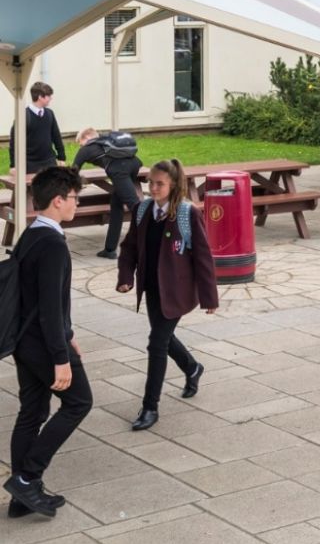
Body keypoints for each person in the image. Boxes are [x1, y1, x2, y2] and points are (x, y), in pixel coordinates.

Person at [4, 167, 93, 518]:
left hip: (24, 341)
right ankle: (27, 479)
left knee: (32, 412)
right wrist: (61, 355)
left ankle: (20, 499)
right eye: (74, 197)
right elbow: (50, 309)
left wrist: (68, 337)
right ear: (58, 200)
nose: (76, 203)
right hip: (42, 343)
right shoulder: (53, 244)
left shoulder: (30, 234)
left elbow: (41, 302)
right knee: (79, 402)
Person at [117, 159, 218, 431]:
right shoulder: (142, 210)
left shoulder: (187, 213)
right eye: (150, 182)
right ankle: (192, 368)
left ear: (173, 185)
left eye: (159, 183)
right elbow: (128, 248)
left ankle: (150, 407)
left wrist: (209, 298)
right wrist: (126, 277)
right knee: (163, 336)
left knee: (156, 343)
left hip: (177, 290)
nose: (152, 188)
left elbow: (203, 258)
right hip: (151, 288)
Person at [72, 127, 142, 260]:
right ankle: (109, 249)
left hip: (119, 171)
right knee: (116, 205)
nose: (80, 146)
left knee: (135, 206)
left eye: (79, 142)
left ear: (86, 137)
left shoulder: (86, 149)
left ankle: (159, 240)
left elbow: (73, 171)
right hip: (133, 165)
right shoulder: (106, 143)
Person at [9, 81, 66, 174]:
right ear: (40, 97)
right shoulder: (23, 116)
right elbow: (14, 142)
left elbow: (56, 136)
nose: (51, 98)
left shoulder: (49, 113)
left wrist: (61, 157)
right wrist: (13, 165)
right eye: (49, 96)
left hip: (49, 162)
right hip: (29, 164)